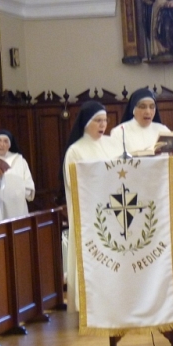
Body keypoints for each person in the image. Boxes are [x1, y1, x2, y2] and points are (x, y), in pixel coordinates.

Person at [63, 101, 117, 312]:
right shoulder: (75, 150)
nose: (103, 125)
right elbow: (72, 181)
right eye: (98, 120)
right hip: (89, 213)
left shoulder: (112, 144)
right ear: (86, 123)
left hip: (114, 210)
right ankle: (88, 303)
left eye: (105, 120)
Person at [0, 129, 35, 218]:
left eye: (6, 141)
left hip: (17, 205)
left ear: (10, 145)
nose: (2, 144)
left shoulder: (19, 160)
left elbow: (28, 182)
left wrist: (19, 192)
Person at [110, 87, 171, 155]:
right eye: (142, 107)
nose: (148, 112)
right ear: (133, 109)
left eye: (152, 107)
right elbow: (115, 160)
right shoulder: (120, 132)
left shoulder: (163, 130)